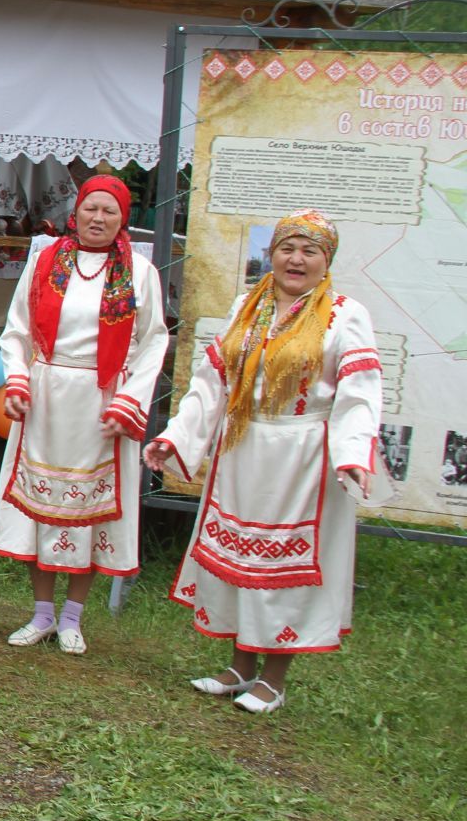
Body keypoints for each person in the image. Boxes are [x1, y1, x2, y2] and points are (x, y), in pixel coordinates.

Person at [145, 210, 382, 713]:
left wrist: (353, 453)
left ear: (327, 261)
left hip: (303, 459)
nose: (296, 260)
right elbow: (213, 385)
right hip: (244, 450)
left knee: (283, 568)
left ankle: (273, 680)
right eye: (287, 249)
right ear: (270, 254)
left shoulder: (344, 315)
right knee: (240, 561)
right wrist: (177, 437)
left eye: (309, 251)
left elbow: (359, 394)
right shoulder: (245, 310)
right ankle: (239, 669)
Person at [0, 175, 168, 655]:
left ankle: (72, 617)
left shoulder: (140, 272)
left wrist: (130, 403)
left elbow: (154, 341)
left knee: (88, 511)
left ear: (123, 218)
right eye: (91, 208)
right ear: (77, 211)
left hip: (104, 400)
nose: (98, 218)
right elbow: (17, 328)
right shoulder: (47, 261)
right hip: (47, 395)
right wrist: (19, 379)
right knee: (41, 507)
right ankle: (42, 613)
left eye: (110, 211)